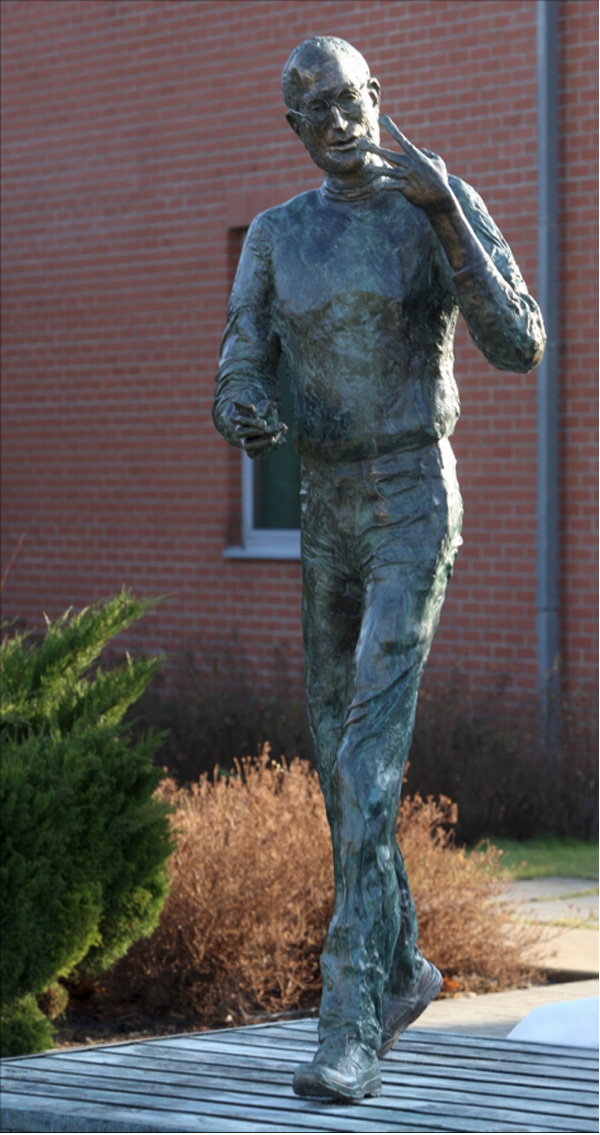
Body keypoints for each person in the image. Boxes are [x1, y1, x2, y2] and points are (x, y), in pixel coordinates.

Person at [213, 36, 545, 1103]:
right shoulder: (273, 236)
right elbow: (238, 361)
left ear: (378, 99)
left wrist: (450, 215)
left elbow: (520, 342)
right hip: (325, 508)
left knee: (365, 763)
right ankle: (403, 967)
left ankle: (349, 1017)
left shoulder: (432, 204)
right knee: (336, 763)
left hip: (411, 495)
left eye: (353, 99)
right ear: (297, 130)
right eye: (317, 110)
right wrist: (245, 409)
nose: (341, 121)